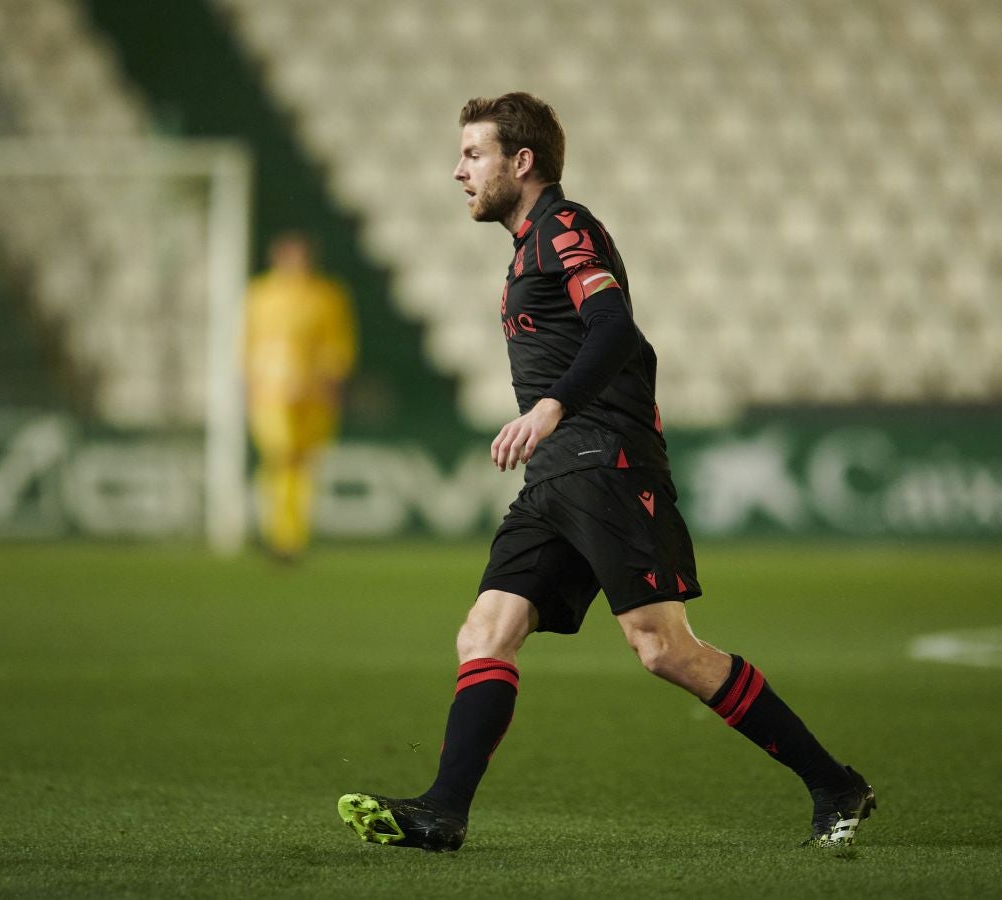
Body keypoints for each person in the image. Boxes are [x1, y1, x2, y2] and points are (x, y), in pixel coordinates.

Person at [337, 92, 875, 851]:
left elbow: (615, 326)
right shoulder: (526, 246)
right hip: (554, 476)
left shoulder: (566, 227)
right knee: (485, 631)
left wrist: (549, 408)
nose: (458, 170)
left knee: (664, 648)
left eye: (473, 154)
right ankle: (443, 812)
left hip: (606, 463)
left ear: (522, 161)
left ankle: (834, 783)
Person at [244, 232, 356, 560]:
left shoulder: (327, 296)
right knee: (281, 457)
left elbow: (338, 344)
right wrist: (250, 385)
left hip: (314, 394)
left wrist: (332, 383)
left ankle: (294, 536)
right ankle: (281, 535)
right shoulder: (260, 295)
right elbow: (249, 344)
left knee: (304, 466)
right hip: (271, 395)